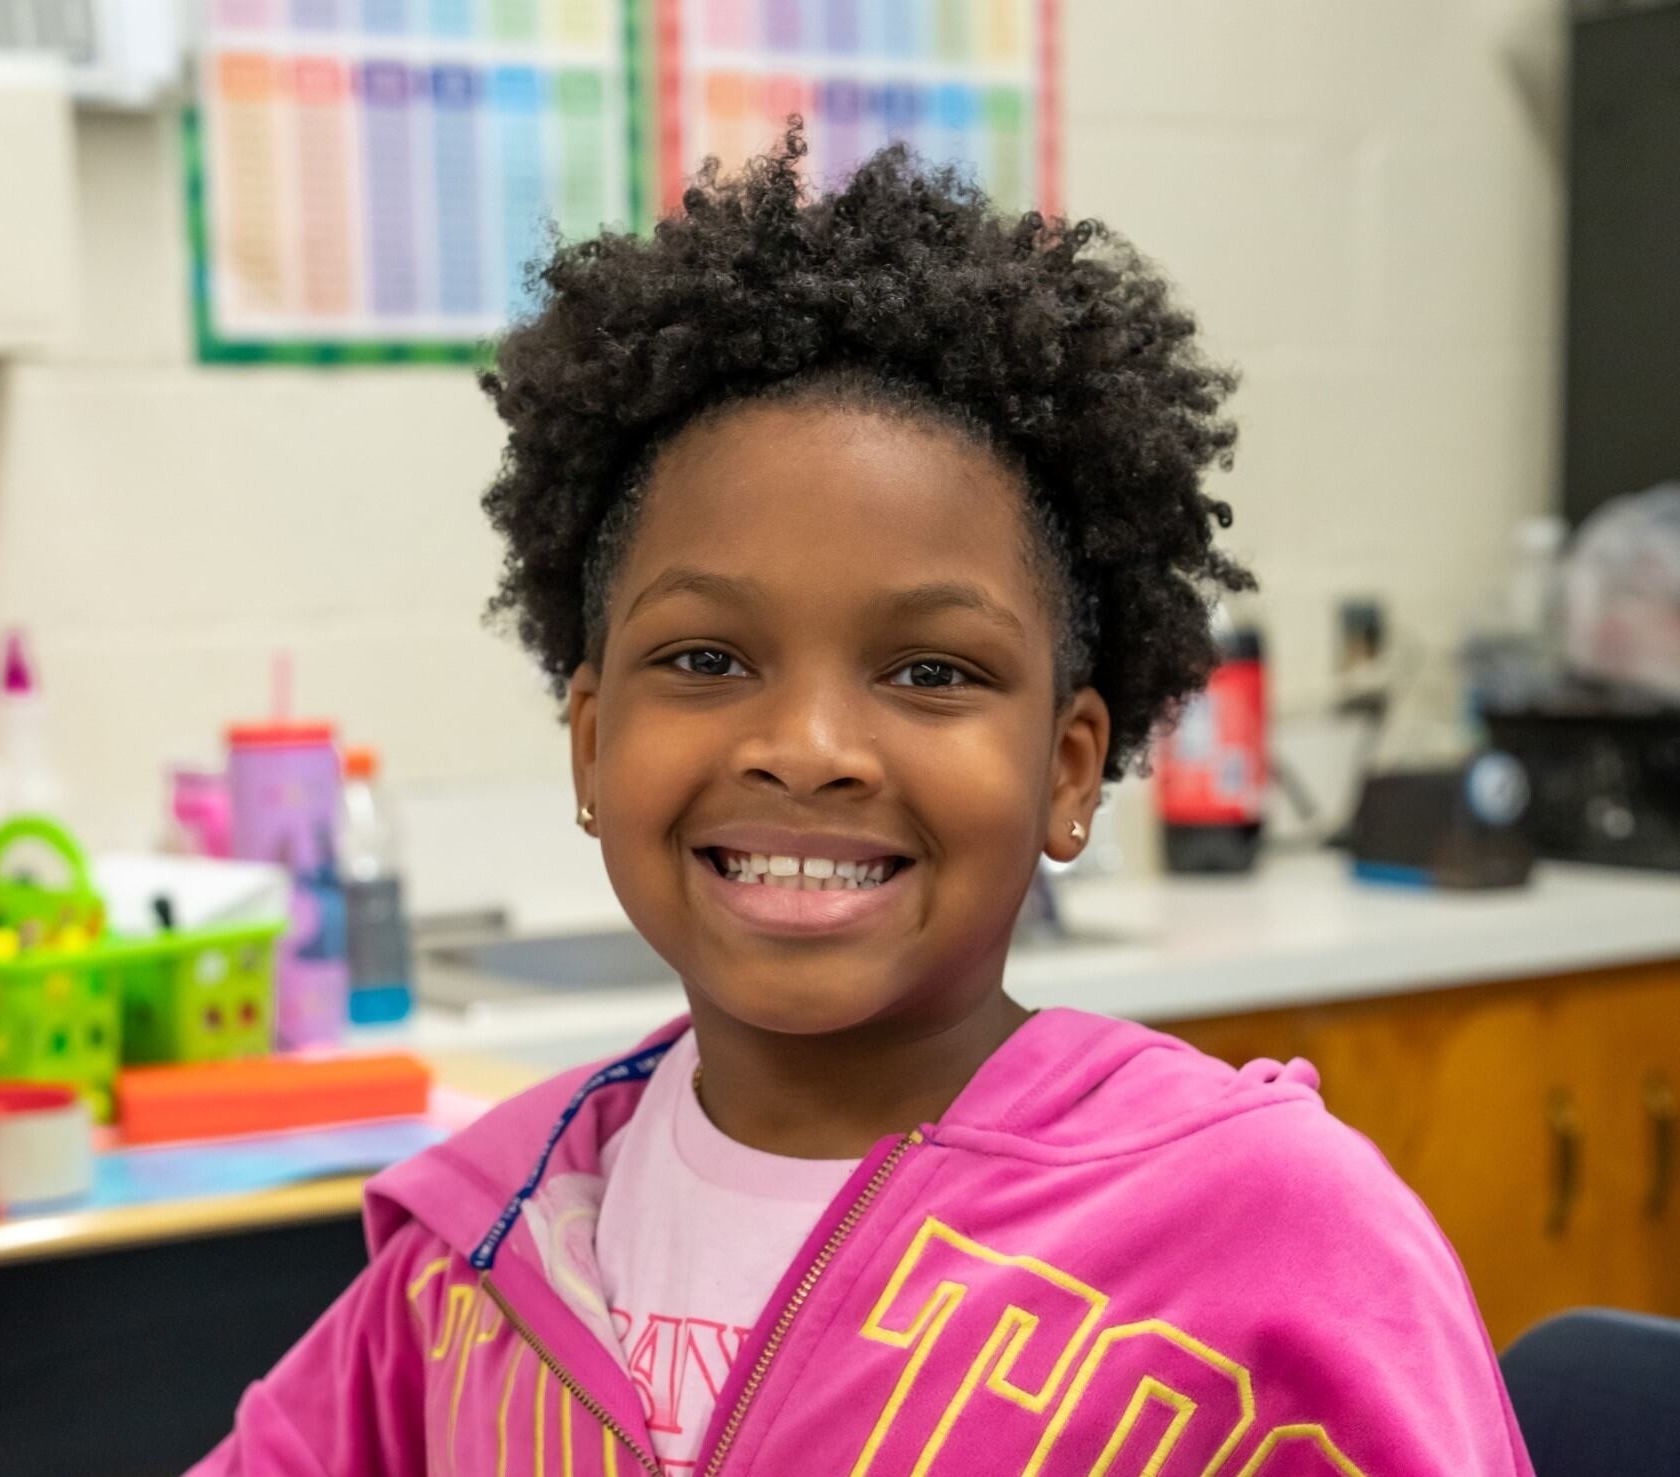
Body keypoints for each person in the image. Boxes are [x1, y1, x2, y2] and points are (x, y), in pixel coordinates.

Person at [191, 128, 1534, 1477]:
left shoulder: (1268, 1245)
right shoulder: (488, 1243)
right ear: (592, 741)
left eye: (929, 670)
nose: (809, 746)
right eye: (705, 658)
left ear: (1068, 767)